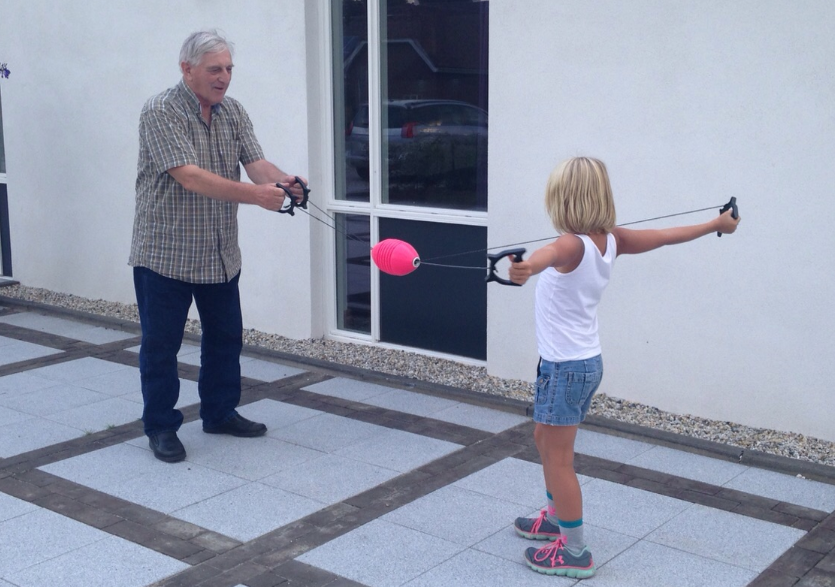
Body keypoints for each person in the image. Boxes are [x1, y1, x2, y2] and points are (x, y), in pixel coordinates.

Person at [508, 157, 740, 578]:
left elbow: (547, 255)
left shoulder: (572, 244)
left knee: (558, 459)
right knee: (544, 438)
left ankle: (575, 551)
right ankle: (556, 518)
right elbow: (665, 236)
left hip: (566, 369)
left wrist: (527, 268)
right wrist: (715, 224)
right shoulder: (611, 240)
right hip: (578, 364)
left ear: (564, 200)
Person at [128, 30, 306, 463]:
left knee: (225, 338)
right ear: (186, 69)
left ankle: (220, 412)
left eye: (228, 68)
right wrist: (257, 196)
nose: (224, 77)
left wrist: (284, 182)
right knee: (161, 346)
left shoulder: (234, 111)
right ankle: (161, 426)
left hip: (220, 253)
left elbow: (256, 163)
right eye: (214, 69)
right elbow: (189, 176)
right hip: (166, 254)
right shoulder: (160, 110)